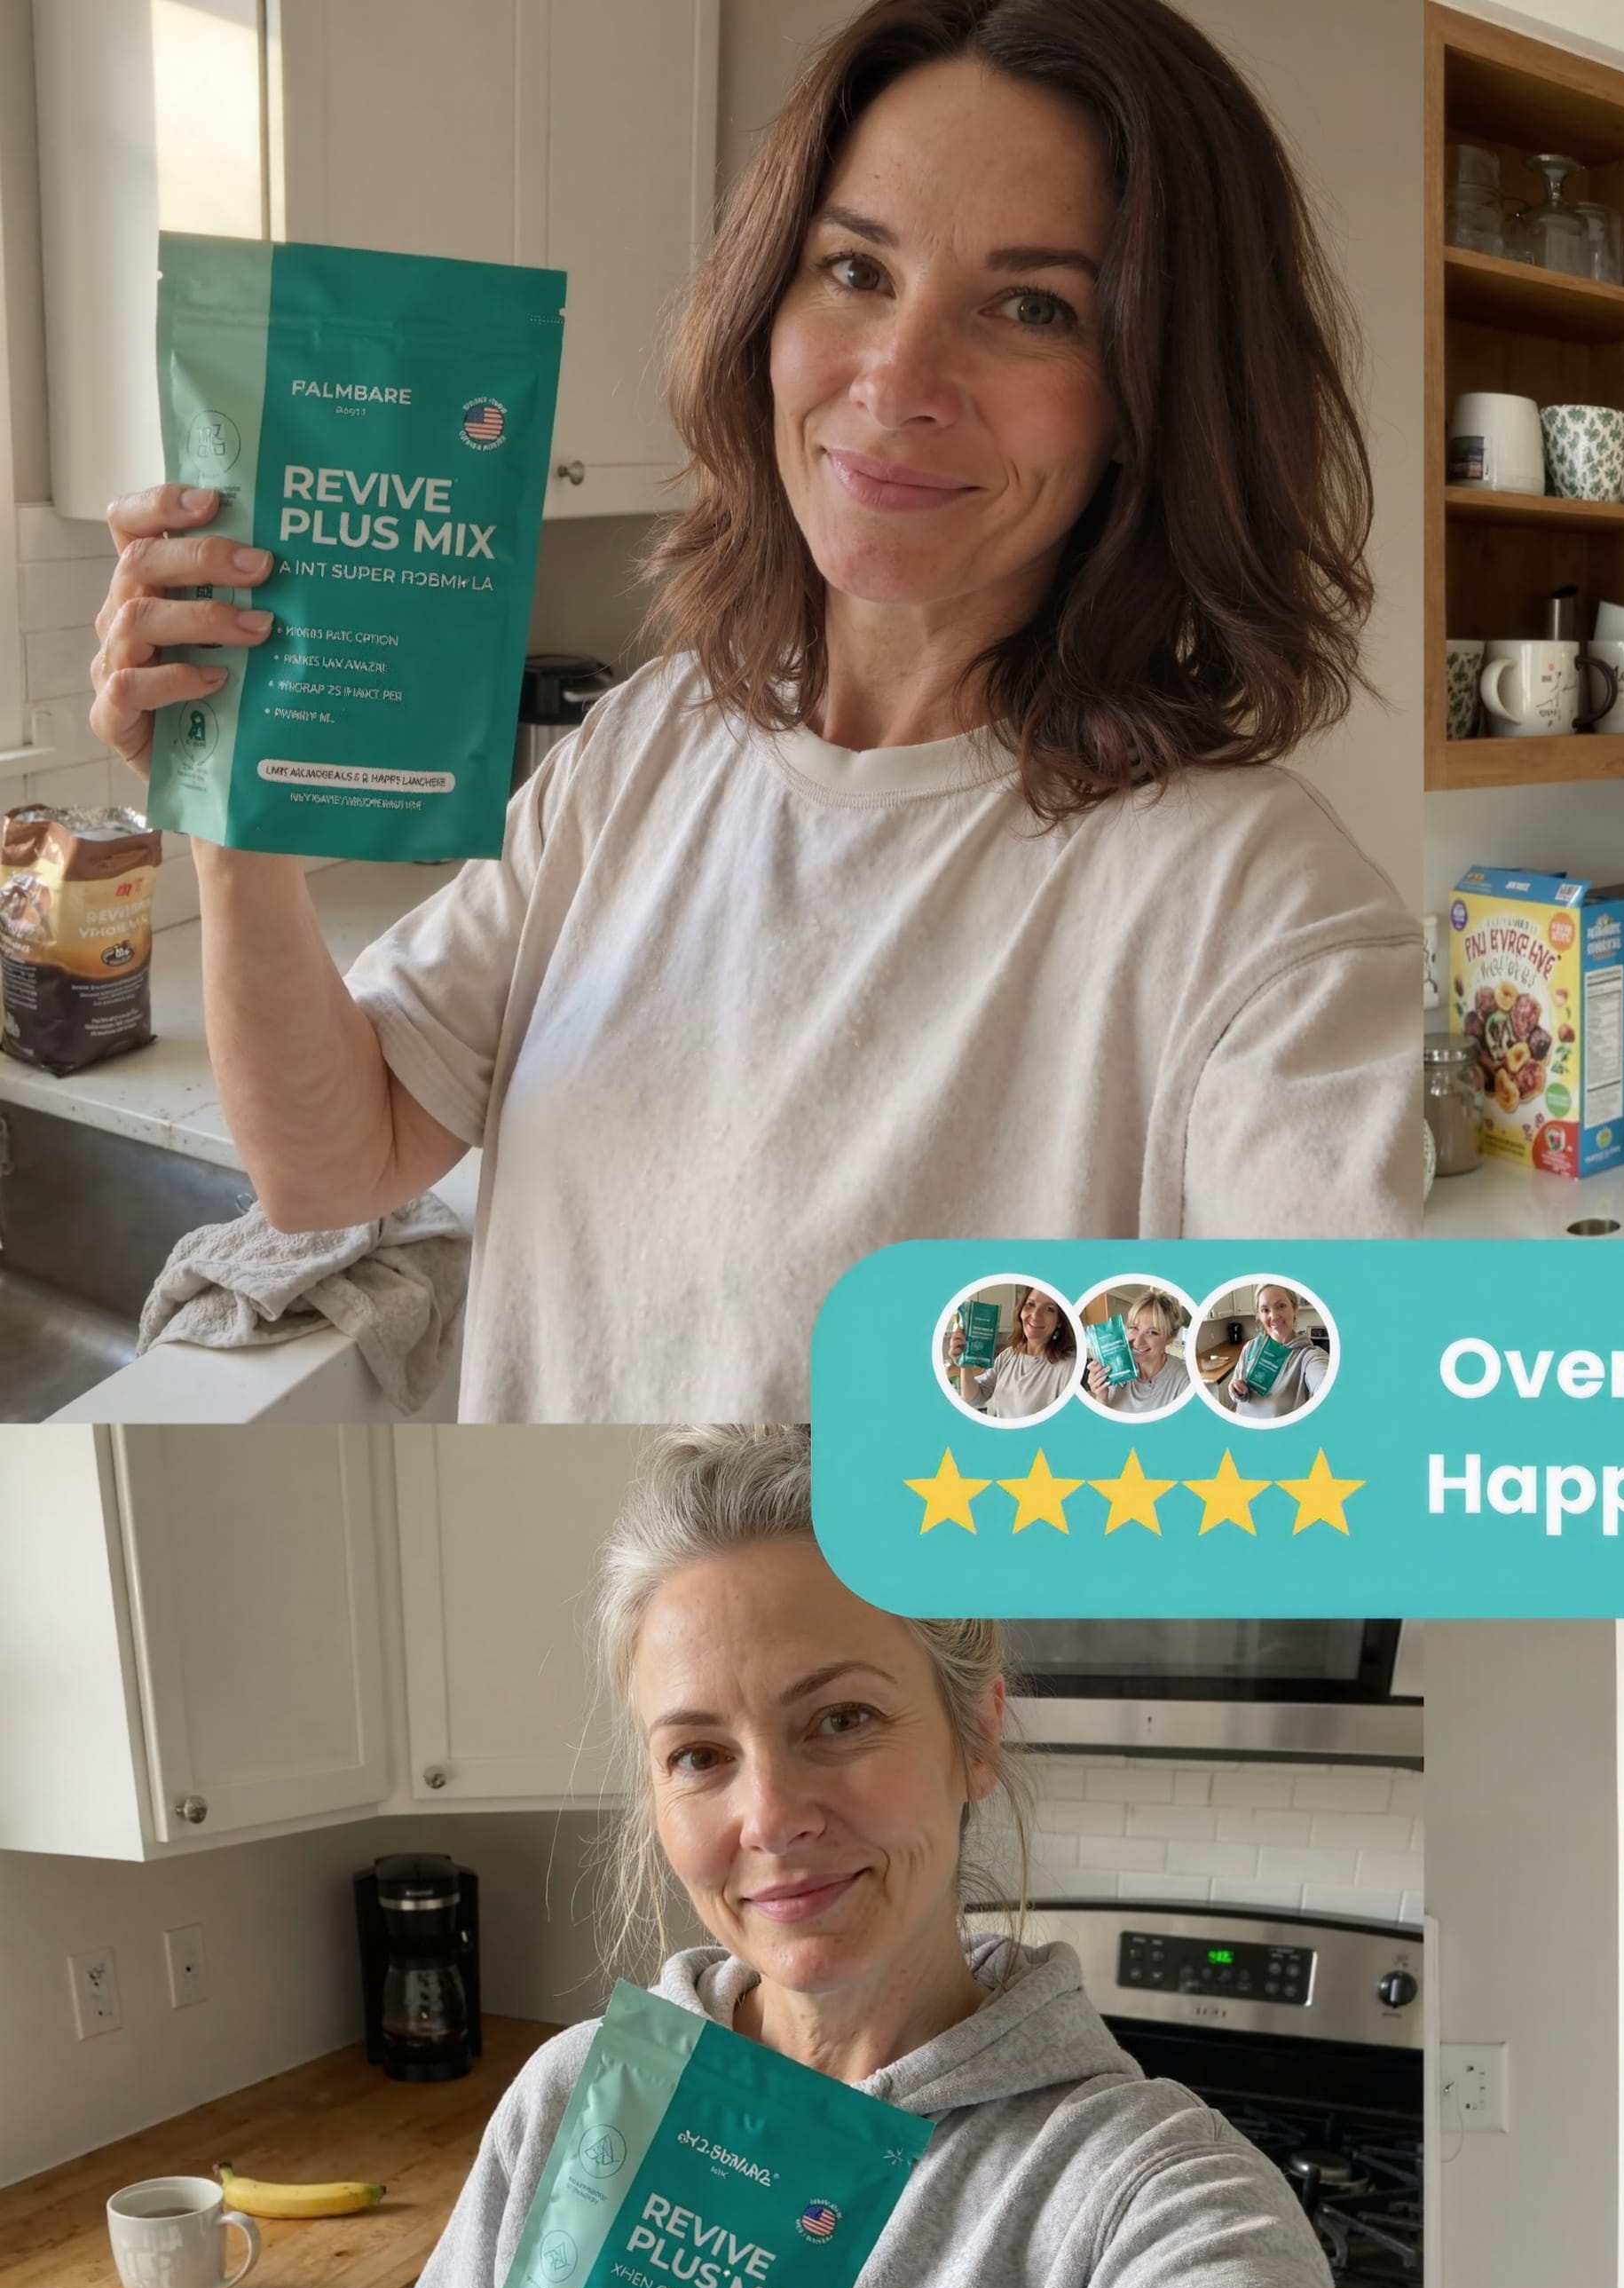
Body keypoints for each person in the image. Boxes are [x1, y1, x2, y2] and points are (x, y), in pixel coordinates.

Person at [89, 0, 1422, 1424]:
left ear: (1159, 393)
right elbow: (338, 1162)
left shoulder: (1266, 922)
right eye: (855, 268)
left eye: (1035, 306)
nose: (897, 381)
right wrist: (232, 802)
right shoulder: (647, 743)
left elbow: (1320, 1473)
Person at [358, 1430, 1423, 2288]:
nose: (772, 1815)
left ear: (975, 1731)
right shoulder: (572, 2095)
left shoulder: (1125, 2190)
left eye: (841, 1720)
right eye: (698, 1753)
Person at [956, 1284, 1076, 1419]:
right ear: (1021, 1310)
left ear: (1060, 1321)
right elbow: (974, 1398)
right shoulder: (1009, 1355)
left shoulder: (1069, 1367)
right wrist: (965, 1364)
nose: (1035, 1315)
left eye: (1049, 1309)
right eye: (1030, 1304)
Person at [1221, 1282, 1331, 1417]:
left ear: (1295, 1308)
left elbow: (1326, 1384)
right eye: (1265, 1310)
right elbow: (1237, 1395)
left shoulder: (1309, 1357)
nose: (1273, 1316)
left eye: (1281, 1306)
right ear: (1259, 1315)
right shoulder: (1250, 1348)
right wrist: (1237, 1391)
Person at [1085, 1290, 1193, 1413]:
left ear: (1170, 1338)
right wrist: (1101, 1397)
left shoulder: (1184, 1380)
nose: (1137, 1342)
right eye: (1134, 1328)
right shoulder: (1116, 1369)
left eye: (1152, 1332)